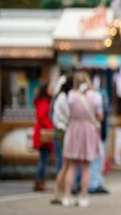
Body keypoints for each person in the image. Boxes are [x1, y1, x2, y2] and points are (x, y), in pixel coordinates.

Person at [62, 72, 104, 207]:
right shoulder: (96, 96)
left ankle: (67, 196)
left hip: (74, 130)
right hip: (89, 131)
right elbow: (100, 116)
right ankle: (83, 197)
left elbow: (66, 112)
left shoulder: (71, 96)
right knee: (86, 167)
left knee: (71, 166)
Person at [50, 75, 73, 204]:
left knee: (63, 164)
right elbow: (69, 115)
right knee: (64, 165)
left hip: (59, 131)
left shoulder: (59, 98)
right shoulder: (63, 98)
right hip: (62, 132)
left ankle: (60, 192)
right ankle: (59, 192)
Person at [32, 82, 54, 192]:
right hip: (44, 133)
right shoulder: (45, 102)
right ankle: (39, 181)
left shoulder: (45, 101)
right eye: (51, 87)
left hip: (41, 132)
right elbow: (42, 117)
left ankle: (40, 181)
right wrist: (51, 127)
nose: (53, 89)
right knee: (44, 160)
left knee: (44, 159)